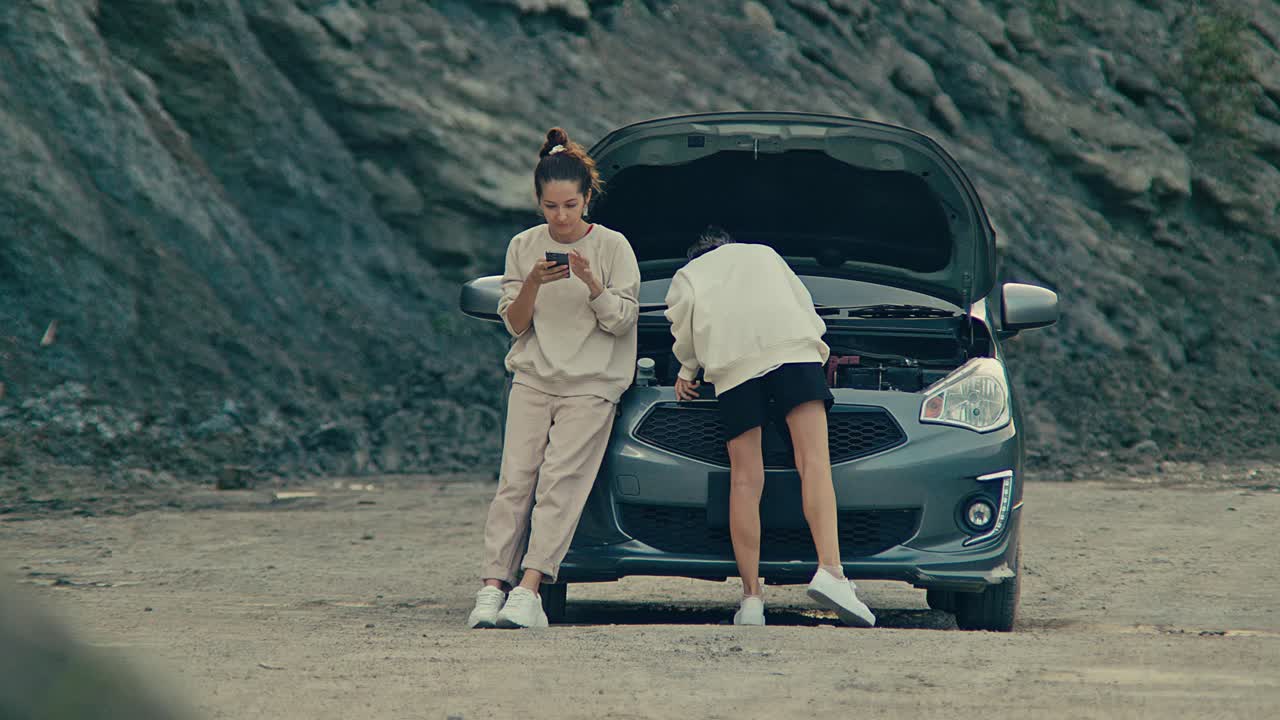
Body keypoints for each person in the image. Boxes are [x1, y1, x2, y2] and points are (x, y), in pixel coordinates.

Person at [467, 128, 640, 629]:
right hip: (534, 377)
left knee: (560, 485)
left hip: (591, 383)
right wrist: (534, 286)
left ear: (588, 198)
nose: (560, 217)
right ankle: (490, 587)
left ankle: (530, 588)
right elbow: (516, 323)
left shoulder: (613, 245)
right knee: (514, 483)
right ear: (539, 203)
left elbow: (622, 321)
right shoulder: (523, 246)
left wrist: (591, 282)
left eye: (569, 205)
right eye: (550, 207)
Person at [663, 227, 876, 628]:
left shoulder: (689, 275)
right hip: (792, 350)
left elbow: (682, 324)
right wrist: (816, 350)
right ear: (729, 245)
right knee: (813, 462)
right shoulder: (764, 253)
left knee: (746, 479)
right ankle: (831, 571)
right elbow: (805, 306)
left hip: (733, 366)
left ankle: (751, 601)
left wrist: (688, 369)